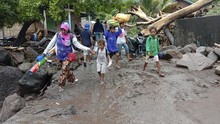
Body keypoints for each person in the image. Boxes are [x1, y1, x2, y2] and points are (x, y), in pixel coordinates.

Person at [37, 22, 94, 91]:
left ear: (67, 29)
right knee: (67, 70)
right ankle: (72, 80)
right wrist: (44, 53)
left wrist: (88, 49)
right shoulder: (57, 35)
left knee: (64, 70)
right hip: (59, 56)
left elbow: (78, 45)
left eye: (64, 30)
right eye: (62, 29)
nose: (63, 31)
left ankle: (60, 85)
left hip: (67, 57)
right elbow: (51, 44)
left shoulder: (71, 36)